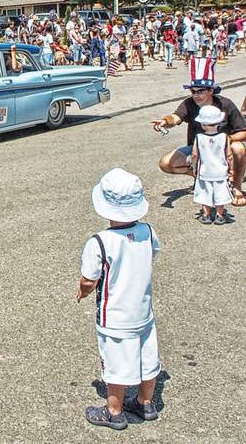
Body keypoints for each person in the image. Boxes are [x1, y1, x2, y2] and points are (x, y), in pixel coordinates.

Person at [78, 168, 161, 430]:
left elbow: (89, 280)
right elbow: (152, 254)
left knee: (115, 364)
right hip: (143, 311)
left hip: (114, 316)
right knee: (148, 359)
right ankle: (146, 402)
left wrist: (83, 290)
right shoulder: (148, 231)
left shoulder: (100, 242)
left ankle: (114, 411)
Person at [152, 58, 246, 206]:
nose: (196, 95)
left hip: (222, 149)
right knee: (166, 163)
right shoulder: (189, 103)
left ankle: (236, 186)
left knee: (239, 148)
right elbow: (176, 117)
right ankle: (201, 178)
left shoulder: (225, 104)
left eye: (200, 91)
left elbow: (243, 132)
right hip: (198, 148)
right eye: (193, 91)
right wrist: (165, 121)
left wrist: (227, 139)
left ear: (211, 90)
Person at [190, 105, 233, 225]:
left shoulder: (199, 137)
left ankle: (206, 215)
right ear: (219, 122)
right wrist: (231, 169)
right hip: (221, 171)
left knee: (205, 193)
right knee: (220, 193)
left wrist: (194, 167)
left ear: (202, 124)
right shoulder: (224, 137)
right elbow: (229, 155)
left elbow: (194, 155)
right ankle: (219, 215)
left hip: (205, 170)